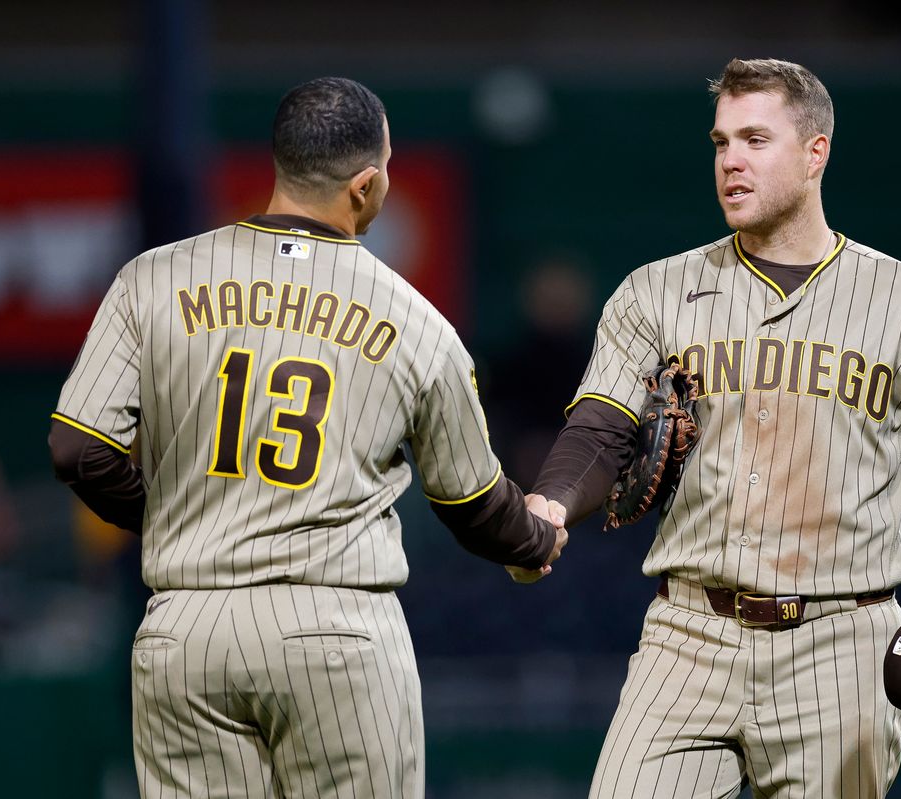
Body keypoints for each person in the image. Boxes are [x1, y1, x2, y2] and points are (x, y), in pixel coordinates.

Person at [530, 58, 901, 798]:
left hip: (843, 642)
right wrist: (550, 502)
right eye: (720, 141)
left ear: (815, 153)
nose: (730, 159)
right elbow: (601, 429)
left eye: (755, 139)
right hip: (689, 634)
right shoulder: (656, 291)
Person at [48, 77, 566, 799]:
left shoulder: (152, 279)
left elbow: (79, 449)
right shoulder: (417, 321)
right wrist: (533, 540)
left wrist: (170, 516)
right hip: (336, 629)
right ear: (365, 185)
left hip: (186, 626)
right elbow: (472, 502)